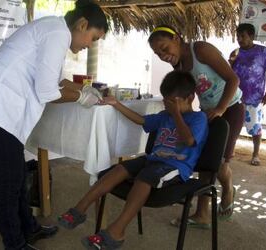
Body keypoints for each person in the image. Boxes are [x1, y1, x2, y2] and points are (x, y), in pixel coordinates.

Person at [0, 1, 108, 249]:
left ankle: (29, 228)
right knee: (7, 184)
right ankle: (15, 244)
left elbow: (57, 80)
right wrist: (82, 98)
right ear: (82, 24)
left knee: (16, 176)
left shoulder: (53, 30)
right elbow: (48, 91)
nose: (88, 46)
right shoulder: (58, 33)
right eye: (93, 38)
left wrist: (83, 89)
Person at [58, 70, 208, 249]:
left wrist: (176, 114)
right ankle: (79, 210)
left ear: (190, 98)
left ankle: (116, 232)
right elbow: (141, 121)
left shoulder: (199, 118)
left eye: (172, 102)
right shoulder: (164, 116)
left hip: (175, 166)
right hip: (153, 160)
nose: (168, 106)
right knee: (119, 169)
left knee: (145, 177)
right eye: (166, 102)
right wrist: (116, 104)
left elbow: (189, 140)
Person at [148, 26, 245, 227]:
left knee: (219, 163)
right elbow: (187, 97)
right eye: (158, 54)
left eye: (165, 49)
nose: (163, 56)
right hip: (208, 112)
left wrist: (220, 108)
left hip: (231, 107)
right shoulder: (179, 66)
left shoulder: (200, 50)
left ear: (177, 37)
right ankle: (202, 214)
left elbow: (233, 79)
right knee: (206, 162)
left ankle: (228, 189)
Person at [229, 23, 266, 166]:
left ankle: (255, 155)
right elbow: (229, 74)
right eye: (237, 36)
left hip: (255, 98)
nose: (239, 39)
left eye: (243, 36)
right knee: (233, 126)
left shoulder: (263, 52)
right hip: (236, 97)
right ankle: (230, 151)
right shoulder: (236, 52)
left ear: (252, 36)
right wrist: (230, 62)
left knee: (255, 127)